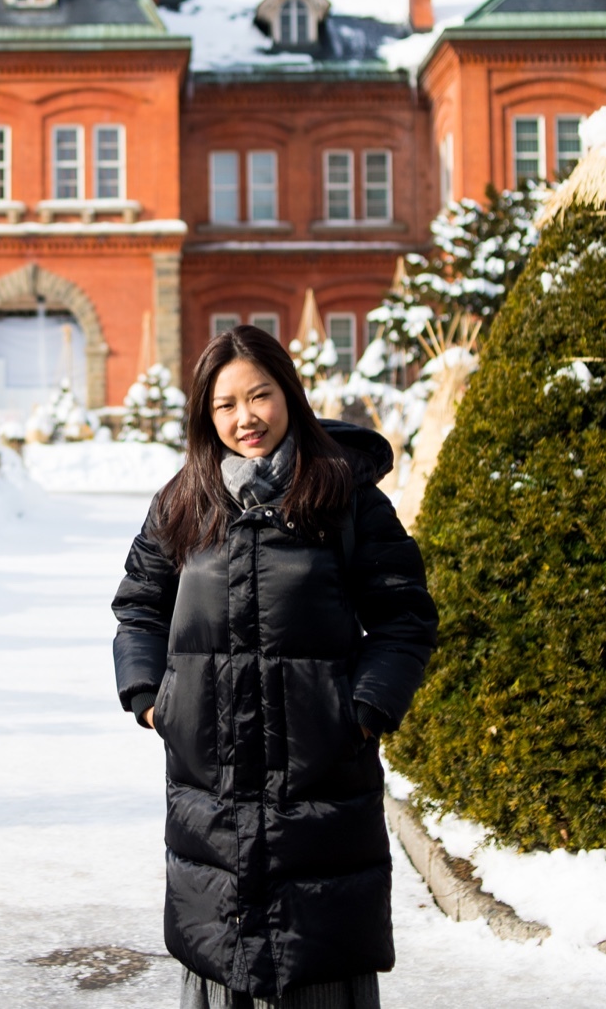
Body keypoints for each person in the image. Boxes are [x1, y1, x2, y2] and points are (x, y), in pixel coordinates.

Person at [111, 325, 438, 1009]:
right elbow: (140, 605)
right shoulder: (183, 501)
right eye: (225, 403)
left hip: (321, 777)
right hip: (211, 782)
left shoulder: (343, 496)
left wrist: (363, 709)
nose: (245, 416)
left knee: (314, 954)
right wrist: (151, 697)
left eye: (259, 395)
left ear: (288, 392)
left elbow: (405, 615)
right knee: (222, 950)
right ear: (206, 414)